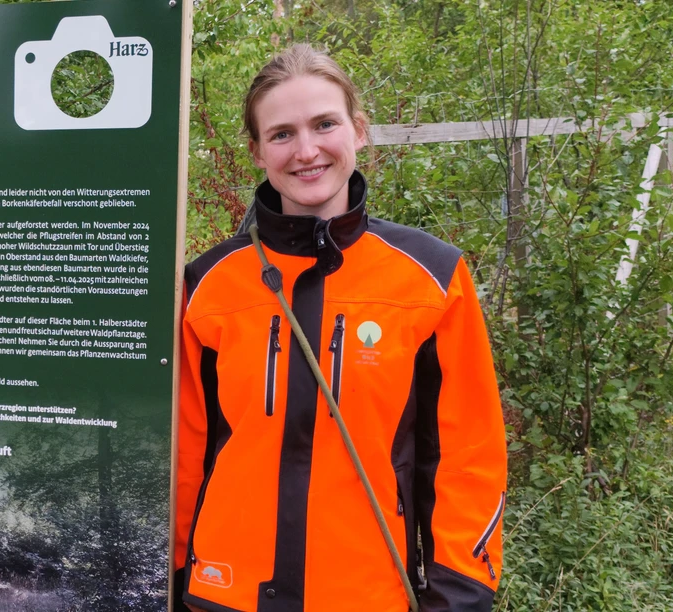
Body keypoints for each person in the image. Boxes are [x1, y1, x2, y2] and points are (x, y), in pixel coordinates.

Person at [173, 44, 507, 611]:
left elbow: (466, 456)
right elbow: (183, 452)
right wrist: (169, 575)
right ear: (255, 151)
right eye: (281, 134)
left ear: (359, 129)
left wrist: (459, 594)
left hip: (366, 593)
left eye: (324, 124)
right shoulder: (207, 283)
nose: (306, 150)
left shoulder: (431, 275)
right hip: (223, 594)